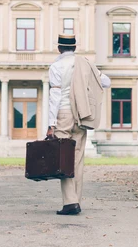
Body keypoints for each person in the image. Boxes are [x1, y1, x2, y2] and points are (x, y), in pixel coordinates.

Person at [47, 34, 111, 215]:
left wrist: (51, 123)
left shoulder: (56, 66)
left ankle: (70, 203)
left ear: (59, 48)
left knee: (63, 158)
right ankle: (76, 201)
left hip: (64, 115)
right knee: (77, 159)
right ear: (74, 48)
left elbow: (55, 97)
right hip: (82, 115)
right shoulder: (86, 64)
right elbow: (106, 82)